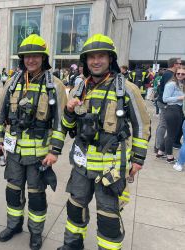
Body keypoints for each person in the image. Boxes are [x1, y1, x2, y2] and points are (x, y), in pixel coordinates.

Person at [58, 34, 150, 250]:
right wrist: (69, 111)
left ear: (110, 59)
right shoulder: (80, 88)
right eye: (91, 57)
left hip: (111, 170)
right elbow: (68, 126)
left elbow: (142, 126)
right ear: (85, 61)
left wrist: (138, 159)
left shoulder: (126, 89)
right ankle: (72, 245)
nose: (96, 61)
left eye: (101, 56)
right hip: (81, 166)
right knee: (74, 208)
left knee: (108, 218)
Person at [0, 34, 67, 250]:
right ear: (22, 58)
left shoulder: (55, 85)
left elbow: (60, 123)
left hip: (39, 156)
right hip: (14, 154)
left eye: (36, 56)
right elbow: (0, 115)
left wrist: (54, 151)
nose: (31, 60)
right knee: (13, 192)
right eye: (27, 56)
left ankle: (35, 233)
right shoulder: (13, 81)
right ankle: (14, 225)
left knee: (36, 197)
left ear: (43, 58)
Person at [157, 67, 185, 162]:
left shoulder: (181, 84)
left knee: (171, 133)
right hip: (172, 110)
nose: (180, 75)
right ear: (175, 74)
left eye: (183, 74)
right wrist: (180, 97)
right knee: (171, 135)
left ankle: (160, 152)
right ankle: (169, 156)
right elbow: (165, 99)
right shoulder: (171, 84)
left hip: (178, 110)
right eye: (178, 74)